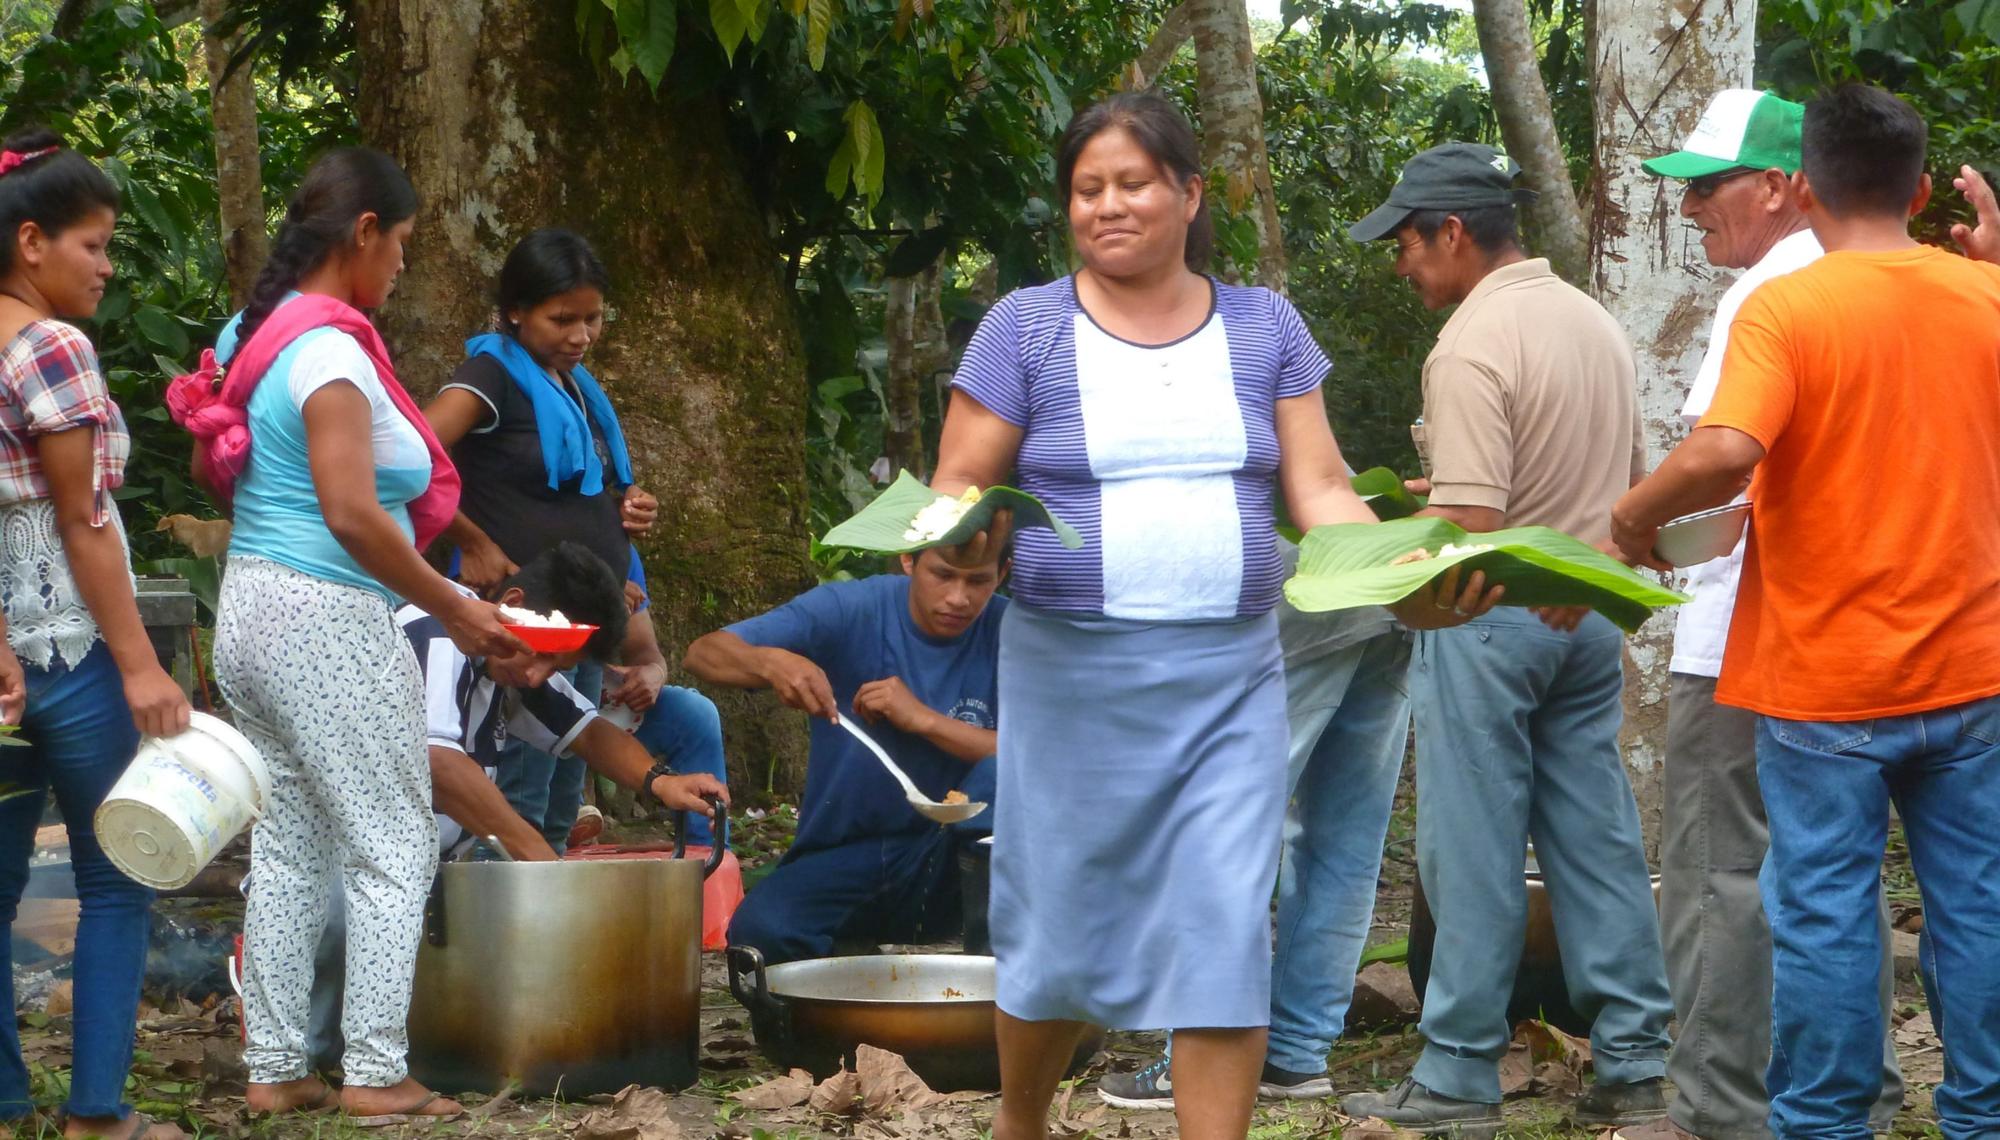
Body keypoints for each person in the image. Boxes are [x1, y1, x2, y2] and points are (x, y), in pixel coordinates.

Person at [930, 92, 1493, 1140]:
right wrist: (957, 535)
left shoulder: (1261, 325)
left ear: (1187, 195)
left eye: (1132, 183)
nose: (1106, 205)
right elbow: (955, 487)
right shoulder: (1025, 327)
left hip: (1229, 677)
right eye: (1085, 189)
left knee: (1224, 923)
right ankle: (1020, 1123)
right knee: (1054, 922)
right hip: (1067, 676)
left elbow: (1319, 489)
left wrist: (1404, 574)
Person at [1611, 84, 2000, 1140]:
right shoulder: (1981, 297)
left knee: (1820, 912)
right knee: (1974, 908)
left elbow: (1725, 450)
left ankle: (1825, 1127)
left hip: (1823, 682)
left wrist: (1632, 515)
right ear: (1918, 188)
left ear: (1807, 191)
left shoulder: (1789, 305)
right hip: (1970, 670)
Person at [172, 147, 521, 1125]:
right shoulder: (326, 353)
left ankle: (279, 1066)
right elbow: (354, 515)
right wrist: (451, 606)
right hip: (320, 615)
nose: (404, 264)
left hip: (251, 608)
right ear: (364, 232)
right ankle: (375, 1070)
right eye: (401, 243)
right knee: (394, 842)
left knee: (290, 844)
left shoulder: (274, 336)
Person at [1337, 142, 1673, 1138]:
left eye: (1403, 241)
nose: (1399, 263)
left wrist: (1387, 566)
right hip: (1580, 618)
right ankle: (1634, 1058)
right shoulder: (1589, 321)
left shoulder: (1471, 343)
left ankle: (1453, 1076)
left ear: (1450, 230)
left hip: (1488, 617)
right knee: (1594, 834)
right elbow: (1617, 485)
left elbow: (1473, 531)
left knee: (1469, 844)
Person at [303, 543, 728, 1069]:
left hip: (413, 871)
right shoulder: (441, 630)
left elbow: (588, 731)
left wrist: (662, 782)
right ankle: (317, 1063)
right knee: (324, 1029)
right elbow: (438, 764)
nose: (535, 675)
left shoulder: (510, 647)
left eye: (556, 664)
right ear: (515, 599)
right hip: (339, 869)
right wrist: (540, 862)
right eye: (540, 653)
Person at [0, 128, 191, 1140]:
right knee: (117, 881)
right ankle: (95, 1116)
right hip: (70, 647)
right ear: (32, 242)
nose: (109, 267)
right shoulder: (51, 347)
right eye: (95, 244)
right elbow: (81, 521)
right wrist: (139, 664)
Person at [1098, 540, 1413, 1109]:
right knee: (1343, 844)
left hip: (1299, 610)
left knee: (1226, 837)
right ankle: (1295, 1053)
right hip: (1388, 606)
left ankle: (1192, 1058)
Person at [423, 227, 664, 854]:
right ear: (515, 312)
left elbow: (567, 492)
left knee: (561, 788)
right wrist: (470, 538)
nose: (580, 336)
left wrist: (624, 510)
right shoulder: (492, 375)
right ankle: (506, 920)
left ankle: (548, 914)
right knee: (519, 796)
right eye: (562, 319)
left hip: (575, 621)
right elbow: (409, 457)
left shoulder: (574, 388)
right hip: (516, 622)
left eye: (593, 320)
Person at [684, 544, 1009, 965]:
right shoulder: (851, 607)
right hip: (848, 852)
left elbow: (1049, 753)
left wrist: (924, 721)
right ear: (910, 561)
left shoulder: (1014, 631)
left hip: (957, 861)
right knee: (762, 934)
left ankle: (1000, 990)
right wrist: (769, 661)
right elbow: (703, 653)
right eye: (943, 575)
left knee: (1003, 774)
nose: (958, 597)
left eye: (978, 580)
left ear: (1003, 574)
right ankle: (840, 977)